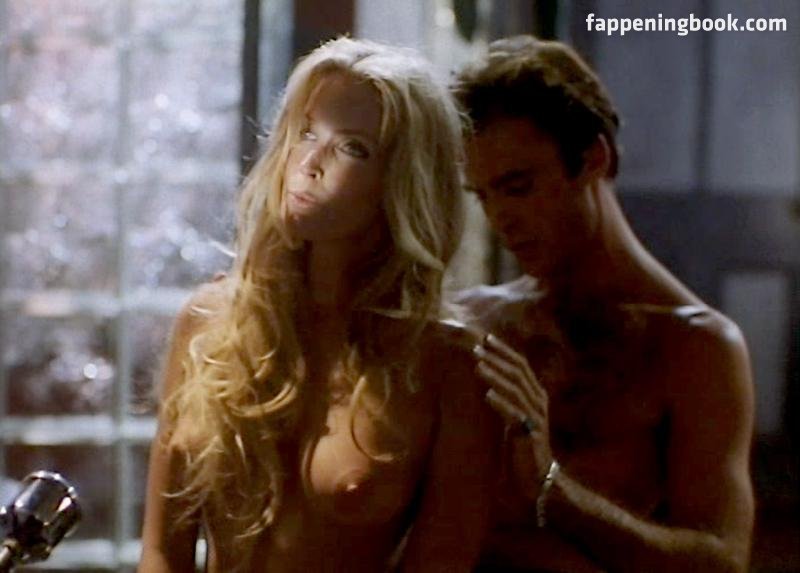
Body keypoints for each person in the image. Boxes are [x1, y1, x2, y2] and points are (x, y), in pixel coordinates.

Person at [138, 37, 499, 573]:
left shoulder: (449, 365)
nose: (309, 163)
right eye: (306, 132)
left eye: (352, 148)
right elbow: (162, 552)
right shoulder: (208, 324)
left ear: (402, 182)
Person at [453, 36, 755, 573]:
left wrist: (553, 490)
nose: (500, 219)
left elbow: (721, 561)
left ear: (594, 158)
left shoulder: (695, 347)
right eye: (483, 195)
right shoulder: (478, 320)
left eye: (518, 187)